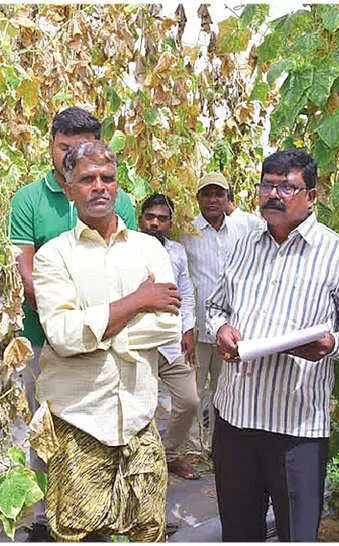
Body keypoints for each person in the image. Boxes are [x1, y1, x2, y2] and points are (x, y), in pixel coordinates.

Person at [207, 149, 339, 541]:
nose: (273, 194)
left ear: (312, 196)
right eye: (267, 184)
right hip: (235, 418)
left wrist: (330, 343)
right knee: (238, 532)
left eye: (287, 187)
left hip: (295, 427)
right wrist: (221, 329)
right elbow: (215, 306)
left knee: (297, 534)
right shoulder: (243, 245)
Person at [28, 140, 181, 541]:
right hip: (79, 420)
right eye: (87, 179)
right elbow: (61, 336)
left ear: (117, 186)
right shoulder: (53, 256)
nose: (99, 186)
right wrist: (138, 301)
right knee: (78, 534)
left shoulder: (149, 249)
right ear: (68, 188)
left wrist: (96, 329)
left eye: (107, 178)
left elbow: (166, 328)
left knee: (147, 530)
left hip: (138, 417)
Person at [8, 107, 137, 539]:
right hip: (42, 338)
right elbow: (27, 274)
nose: (72, 158)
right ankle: (46, 517)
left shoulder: (119, 200)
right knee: (48, 428)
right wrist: (77, 316)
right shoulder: (28, 200)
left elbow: (128, 266)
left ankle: (103, 514)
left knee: (103, 424)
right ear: (51, 145)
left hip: (108, 340)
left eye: (82, 150)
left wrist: (96, 319)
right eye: (65, 149)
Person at [179, 172, 255, 445]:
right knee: (194, 390)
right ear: (198, 198)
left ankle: (218, 445)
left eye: (218, 194)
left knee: (225, 388)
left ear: (227, 198)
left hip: (231, 327)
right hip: (198, 325)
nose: (213, 200)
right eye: (206, 194)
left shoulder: (244, 229)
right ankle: (194, 448)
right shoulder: (186, 231)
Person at [138, 193, 200, 480]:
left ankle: (169, 453)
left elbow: (185, 293)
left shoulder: (176, 252)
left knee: (189, 402)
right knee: (141, 408)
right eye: (150, 217)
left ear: (170, 223)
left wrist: (188, 329)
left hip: (173, 342)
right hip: (140, 344)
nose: (155, 223)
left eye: (162, 219)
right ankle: (142, 465)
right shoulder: (128, 249)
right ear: (141, 220)